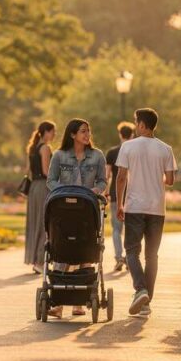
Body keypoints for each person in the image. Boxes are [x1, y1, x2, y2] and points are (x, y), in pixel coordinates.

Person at [115, 108, 175, 318]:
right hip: (157, 208)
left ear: (141, 125)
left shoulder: (128, 147)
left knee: (131, 251)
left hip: (134, 206)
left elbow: (121, 177)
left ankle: (140, 289)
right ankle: (147, 302)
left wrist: (119, 204)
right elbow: (170, 180)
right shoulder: (165, 149)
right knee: (152, 255)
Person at [45, 118, 107, 318]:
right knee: (63, 248)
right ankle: (58, 303)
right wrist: (64, 191)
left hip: (87, 208)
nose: (87, 135)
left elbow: (102, 180)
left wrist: (95, 190)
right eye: (83, 131)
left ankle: (80, 302)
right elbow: (51, 180)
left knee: (86, 248)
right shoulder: (59, 156)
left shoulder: (97, 156)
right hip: (64, 210)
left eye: (88, 131)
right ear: (72, 135)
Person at [23, 121, 56, 273]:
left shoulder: (32, 148)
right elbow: (46, 171)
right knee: (44, 223)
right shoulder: (45, 148)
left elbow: (29, 170)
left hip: (34, 188)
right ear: (46, 132)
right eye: (53, 132)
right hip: (43, 186)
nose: (54, 135)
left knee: (35, 222)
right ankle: (40, 261)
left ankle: (36, 259)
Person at [105, 122, 135, 272]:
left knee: (116, 229)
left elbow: (107, 175)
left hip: (116, 193)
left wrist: (105, 192)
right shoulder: (134, 152)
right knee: (130, 229)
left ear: (120, 135)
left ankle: (118, 257)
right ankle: (130, 259)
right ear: (132, 135)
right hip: (132, 194)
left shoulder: (112, 152)